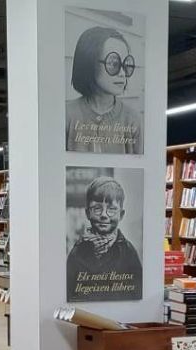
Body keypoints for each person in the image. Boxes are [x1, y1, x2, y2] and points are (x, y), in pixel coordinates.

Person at [66, 26, 143, 154]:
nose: (122, 73)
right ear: (89, 63)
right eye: (113, 64)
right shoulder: (67, 115)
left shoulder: (133, 119)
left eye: (126, 64)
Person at [67, 176, 141, 300]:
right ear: (87, 213)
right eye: (97, 209)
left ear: (121, 214)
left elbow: (137, 292)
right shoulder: (78, 252)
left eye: (111, 209)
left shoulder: (128, 251)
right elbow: (70, 292)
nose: (104, 215)